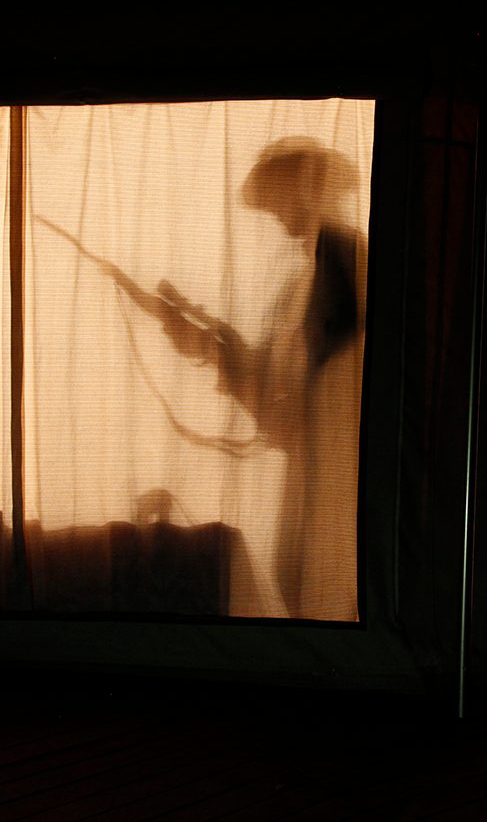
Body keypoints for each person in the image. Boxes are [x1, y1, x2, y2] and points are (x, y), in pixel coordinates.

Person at [152, 138, 366, 620]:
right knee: (294, 576)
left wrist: (227, 355)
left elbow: (313, 384)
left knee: (322, 585)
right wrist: (210, 344)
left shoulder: (351, 264)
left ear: (306, 191)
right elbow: (279, 392)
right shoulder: (303, 280)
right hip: (314, 470)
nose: (277, 216)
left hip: (341, 472)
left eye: (279, 201)